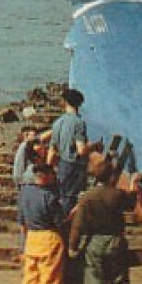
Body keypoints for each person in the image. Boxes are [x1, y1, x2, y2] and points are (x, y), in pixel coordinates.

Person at [68, 156, 136, 284]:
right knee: (119, 281)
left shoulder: (87, 197)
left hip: (95, 242)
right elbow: (131, 203)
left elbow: (78, 225)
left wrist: (72, 246)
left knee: (94, 281)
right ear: (110, 176)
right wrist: (134, 186)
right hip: (116, 240)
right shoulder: (117, 195)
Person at [16, 163, 66, 284]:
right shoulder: (50, 197)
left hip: (31, 238)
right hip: (49, 238)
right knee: (50, 281)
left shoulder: (24, 193)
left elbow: (21, 221)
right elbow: (59, 221)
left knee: (30, 278)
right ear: (44, 176)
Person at [49, 87, 91, 216]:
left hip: (62, 165)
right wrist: (94, 147)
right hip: (74, 166)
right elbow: (81, 150)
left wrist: (49, 167)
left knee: (62, 197)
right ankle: (68, 227)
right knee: (72, 199)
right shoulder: (79, 123)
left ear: (65, 102)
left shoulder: (57, 123)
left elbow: (52, 150)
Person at [10, 124, 43, 189]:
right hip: (25, 182)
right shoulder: (24, 147)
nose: (34, 138)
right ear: (25, 136)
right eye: (33, 135)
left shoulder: (32, 148)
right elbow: (18, 167)